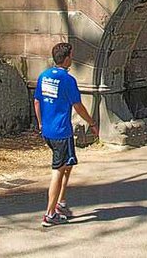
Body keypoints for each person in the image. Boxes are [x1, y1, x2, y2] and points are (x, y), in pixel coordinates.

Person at [33, 42, 99, 227]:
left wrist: (40, 123)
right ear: (67, 58)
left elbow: (37, 101)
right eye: (72, 54)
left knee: (67, 164)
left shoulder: (44, 75)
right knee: (58, 171)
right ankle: (49, 214)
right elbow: (78, 106)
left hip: (48, 131)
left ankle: (60, 202)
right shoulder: (68, 80)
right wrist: (92, 123)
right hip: (62, 132)